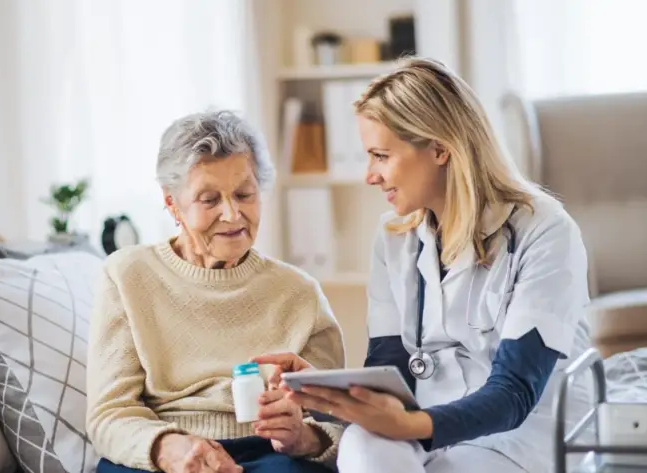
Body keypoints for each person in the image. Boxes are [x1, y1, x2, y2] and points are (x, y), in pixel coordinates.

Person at [253, 57, 593, 473]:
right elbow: (393, 370)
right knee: (361, 445)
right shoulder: (394, 237)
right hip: (420, 428)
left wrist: (409, 424)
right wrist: (328, 392)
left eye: (381, 155)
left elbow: (514, 393)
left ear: (439, 148)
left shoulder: (546, 232)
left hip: (515, 438)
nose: (370, 176)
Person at [86, 109, 346, 473]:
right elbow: (109, 415)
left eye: (244, 194)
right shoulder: (127, 276)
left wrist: (303, 437)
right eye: (209, 200)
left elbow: (338, 424)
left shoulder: (299, 293)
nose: (232, 214)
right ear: (172, 203)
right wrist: (167, 448)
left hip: (271, 453)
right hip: (165, 449)